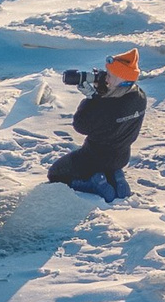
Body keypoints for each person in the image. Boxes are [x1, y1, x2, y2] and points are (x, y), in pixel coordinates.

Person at [47, 50, 147, 202]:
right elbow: (117, 107)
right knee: (109, 165)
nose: (106, 78)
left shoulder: (106, 105)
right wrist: (102, 93)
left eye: (110, 76)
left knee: (55, 173)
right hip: (121, 157)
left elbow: (80, 125)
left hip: (93, 158)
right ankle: (116, 178)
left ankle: (94, 185)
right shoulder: (140, 97)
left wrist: (92, 99)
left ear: (122, 79)